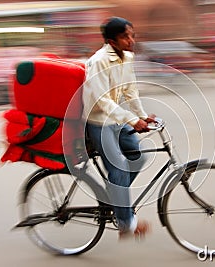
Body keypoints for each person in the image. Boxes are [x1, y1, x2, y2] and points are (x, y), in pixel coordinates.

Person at [82, 17, 155, 238]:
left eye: (132, 35)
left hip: (116, 119)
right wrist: (133, 120)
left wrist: (142, 116)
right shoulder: (98, 61)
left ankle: (114, 195)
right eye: (125, 36)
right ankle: (126, 224)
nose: (131, 40)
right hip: (97, 121)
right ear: (112, 41)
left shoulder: (128, 58)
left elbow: (129, 90)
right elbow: (103, 101)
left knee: (138, 157)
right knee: (119, 167)